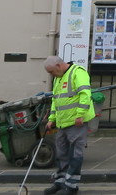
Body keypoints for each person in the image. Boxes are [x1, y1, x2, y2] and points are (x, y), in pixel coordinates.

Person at [44, 56, 96, 195]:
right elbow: (56, 100)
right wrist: (51, 118)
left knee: (75, 154)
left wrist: (80, 114)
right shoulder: (58, 77)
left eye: (52, 72)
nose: (51, 75)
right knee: (61, 153)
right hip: (62, 122)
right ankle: (60, 182)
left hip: (76, 122)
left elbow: (85, 94)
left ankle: (71, 186)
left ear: (59, 65)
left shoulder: (78, 72)